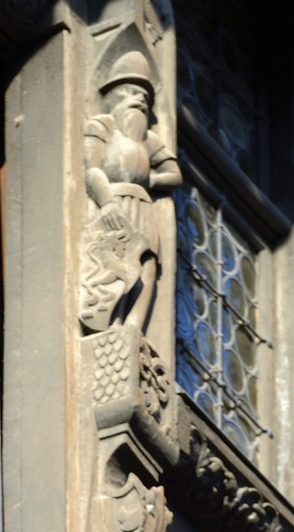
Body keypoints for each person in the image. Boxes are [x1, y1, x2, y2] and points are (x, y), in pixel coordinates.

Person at [81, 51, 181, 335]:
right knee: (116, 262)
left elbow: (175, 175)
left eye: (144, 97)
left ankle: (133, 328)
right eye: (130, 92)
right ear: (112, 96)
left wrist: (149, 177)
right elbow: (92, 169)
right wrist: (107, 203)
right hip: (114, 200)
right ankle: (110, 325)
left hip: (143, 205)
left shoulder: (149, 139)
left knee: (147, 263)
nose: (139, 100)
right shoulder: (102, 125)